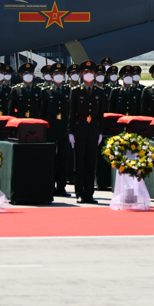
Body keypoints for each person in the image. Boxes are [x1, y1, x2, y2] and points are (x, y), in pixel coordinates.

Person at [68, 61, 105, 204]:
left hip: (94, 130)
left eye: (91, 72)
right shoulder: (76, 91)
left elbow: (101, 114)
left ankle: (89, 193)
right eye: (86, 72)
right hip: (79, 129)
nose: (89, 74)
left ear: (95, 75)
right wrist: (70, 132)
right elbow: (72, 113)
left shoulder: (99, 92)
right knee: (79, 164)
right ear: (82, 75)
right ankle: (79, 193)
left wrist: (100, 132)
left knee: (91, 164)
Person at [41, 63, 71, 196]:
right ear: (52, 76)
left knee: (63, 158)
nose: (59, 76)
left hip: (64, 126)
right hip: (50, 126)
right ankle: (49, 186)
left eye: (61, 74)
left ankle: (61, 187)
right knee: (50, 158)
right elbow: (42, 112)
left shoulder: (69, 90)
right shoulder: (45, 91)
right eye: (56, 74)